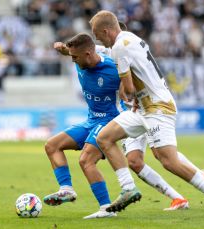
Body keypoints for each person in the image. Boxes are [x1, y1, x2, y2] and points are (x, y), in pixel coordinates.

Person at [90, 10, 204, 218]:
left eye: (97, 35)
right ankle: (128, 188)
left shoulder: (120, 47)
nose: (97, 38)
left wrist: (123, 91)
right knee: (104, 137)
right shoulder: (128, 39)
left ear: (106, 30)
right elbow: (106, 52)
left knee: (168, 160)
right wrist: (75, 49)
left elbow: (128, 90)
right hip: (144, 108)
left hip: (157, 108)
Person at [43, 33, 147, 219]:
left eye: (75, 57)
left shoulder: (111, 68)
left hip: (109, 121)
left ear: (88, 54)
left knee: (86, 160)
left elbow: (134, 75)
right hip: (91, 120)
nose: (72, 60)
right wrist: (62, 49)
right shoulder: (81, 57)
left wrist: (128, 87)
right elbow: (73, 52)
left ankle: (106, 208)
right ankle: (66, 189)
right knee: (52, 145)